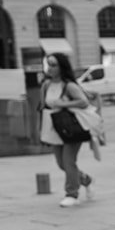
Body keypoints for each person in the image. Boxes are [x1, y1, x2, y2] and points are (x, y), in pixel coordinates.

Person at [38, 52, 94, 207]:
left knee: (69, 161)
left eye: (54, 65)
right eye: (48, 64)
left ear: (62, 67)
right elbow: (43, 107)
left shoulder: (69, 85)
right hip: (54, 127)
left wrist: (63, 104)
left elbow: (83, 102)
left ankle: (72, 194)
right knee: (61, 163)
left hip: (71, 127)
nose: (50, 68)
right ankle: (85, 179)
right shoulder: (46, 85)